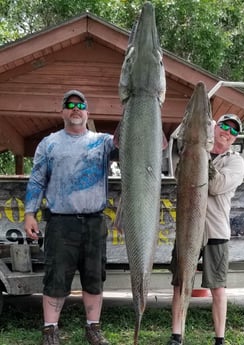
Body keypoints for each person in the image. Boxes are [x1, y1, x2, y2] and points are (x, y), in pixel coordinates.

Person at [24, 90, 117, 345]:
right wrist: (29, 214)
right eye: (70, 105)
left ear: (88, 112)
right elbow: (37, 179)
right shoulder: (49, 143)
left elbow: (129, 142)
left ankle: (93, 328)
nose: (75, 109)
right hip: (60, 223)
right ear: (62, 111)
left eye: (80, 105)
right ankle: (50, 330)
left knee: (94, 277)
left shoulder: (104, 141)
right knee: (55, 278)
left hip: (94, 221)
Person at [167, 114, 244, 345]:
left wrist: (199, 155)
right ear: (214, 127)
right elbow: (175, 140)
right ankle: (176, 335)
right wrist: (196, 128)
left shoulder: (236, 161)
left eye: (233, 131)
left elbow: (215, 184)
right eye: (223, 126)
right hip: (187, 230)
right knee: (180, 284)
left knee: (218, 287)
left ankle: (219, 338)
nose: (227, 133)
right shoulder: (192, 149)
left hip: (216, 232)